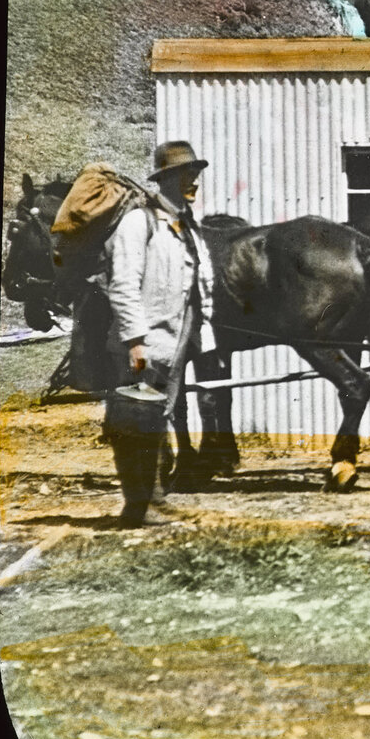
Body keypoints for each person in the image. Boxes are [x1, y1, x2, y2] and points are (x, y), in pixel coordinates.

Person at [103, 141, 217, 527]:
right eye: (186, 174)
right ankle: (138, 506)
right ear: (165, 179)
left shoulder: (185, 228)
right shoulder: (139, 223)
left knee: (156, 420)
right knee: (134, 422)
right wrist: (135, 341)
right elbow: (123, 285)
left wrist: (201, 342)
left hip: (172, 346)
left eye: (195, 174)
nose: (194, 181)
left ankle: (152, 501)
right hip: (140, 346)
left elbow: (198, 290)